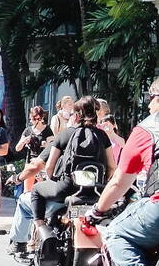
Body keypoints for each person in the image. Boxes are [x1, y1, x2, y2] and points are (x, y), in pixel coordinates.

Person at [90, 79, 159, 266]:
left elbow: (120, 181)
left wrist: (97, 212)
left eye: (150, 98)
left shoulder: (147, 129)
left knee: (115, 233)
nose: (148, 105)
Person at [26, 96, 116, 245]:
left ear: (76, 114)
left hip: (66, 188)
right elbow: (112, 167)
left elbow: (49, 167)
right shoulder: (102, 136)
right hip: (95, 191)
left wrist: (53, 180)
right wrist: (103, 182)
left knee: (36, 190)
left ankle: (39, 231)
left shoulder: (65, 134)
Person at [12, 105, 53, 194]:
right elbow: (17, 148)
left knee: (43, 189)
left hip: (42, 163)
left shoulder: (48, 130)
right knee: (27, 190)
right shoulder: (28, 130)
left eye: (35, 119)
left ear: (41, 118)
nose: (33, 121)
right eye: (31, 119)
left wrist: (46, 144)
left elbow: (52, 146)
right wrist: (23, 141)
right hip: (30, 161)